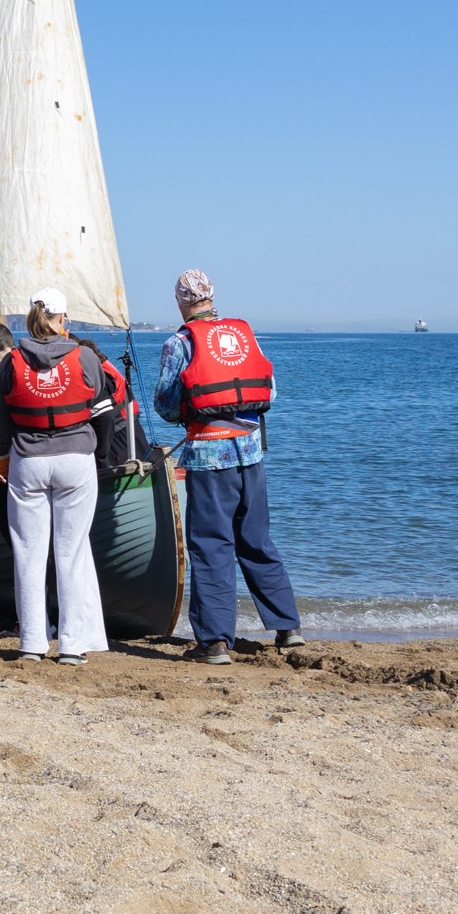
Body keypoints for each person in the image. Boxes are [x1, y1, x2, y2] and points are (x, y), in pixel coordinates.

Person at [154, 269, 303, 664]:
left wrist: (191, 409)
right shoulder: (242, 334)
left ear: (180, 301)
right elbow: (270, 390)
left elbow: (166, 406)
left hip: (208, 456)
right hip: (251, 453)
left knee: (211, 545)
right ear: (212, 296)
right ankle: (288, 628)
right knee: (257, 540)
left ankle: (215, 642)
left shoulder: (179, 343)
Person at [0, 290, 113, 665]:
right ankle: (72, 646)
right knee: (71, 553)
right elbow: (104, 412)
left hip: (28, 460)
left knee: (29, 554)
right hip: (76, 459)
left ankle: (32, 642)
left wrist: (2, 454)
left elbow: (1, 416)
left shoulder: (11, 362)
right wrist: (101, 457)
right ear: (62, 319)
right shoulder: (85, 357)